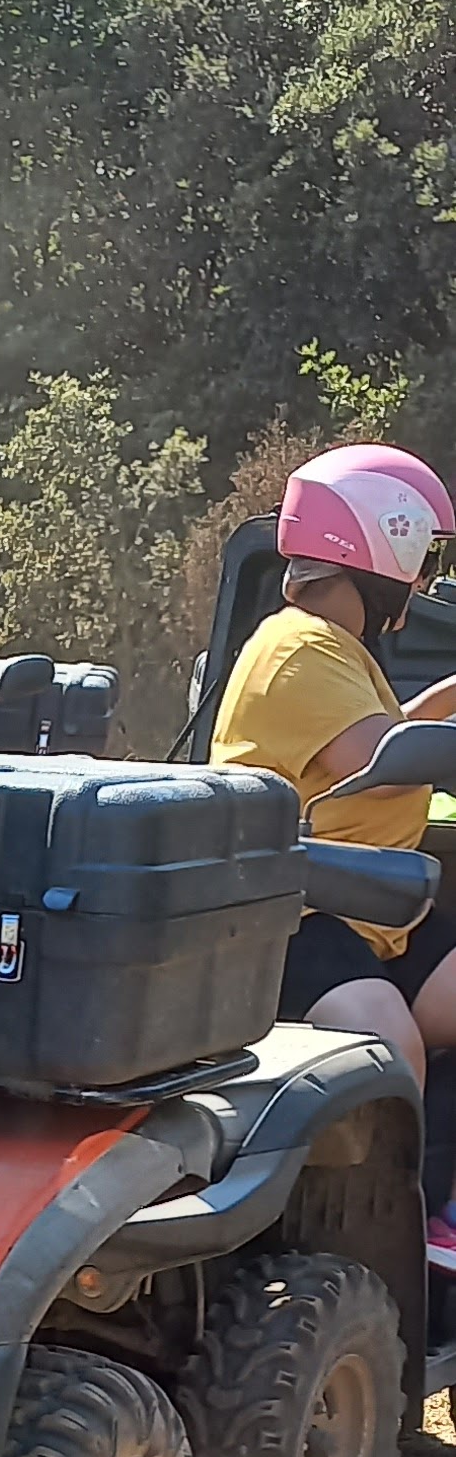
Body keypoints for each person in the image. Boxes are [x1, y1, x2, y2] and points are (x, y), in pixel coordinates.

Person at [212, 445, 456, 1108]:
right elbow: (381, 762)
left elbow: (385, 733)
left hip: (374, 913)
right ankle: (395, 1183)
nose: (425, 581)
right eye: (425, 560)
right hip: (299, 914)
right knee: (385, 1052)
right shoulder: (301, 645)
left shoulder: (333, 646)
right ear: (387, 547)